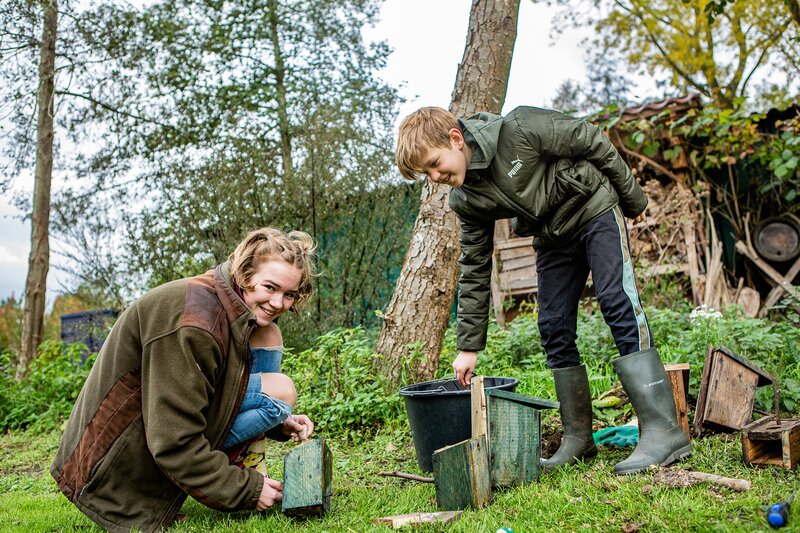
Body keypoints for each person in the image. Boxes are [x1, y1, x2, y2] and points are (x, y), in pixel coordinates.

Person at [395, 106, 690, 475]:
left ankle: (665, 431)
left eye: (435, 164)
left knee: (617, 301)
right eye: (427, 174)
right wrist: (468, 346)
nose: (435, 176)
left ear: (456, 139)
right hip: (552, 236)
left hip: (594, 208)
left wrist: (633, 201)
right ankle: (578, 438)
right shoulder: (466, 199)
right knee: (553, 326)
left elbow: (591, 140)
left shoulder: (520, 128)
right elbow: (474, 267)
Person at [51, 227, 317, 533]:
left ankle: (245, 460)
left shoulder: (224, 303)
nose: (278, 302)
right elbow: (173, 440)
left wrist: (275, 422)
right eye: (270, 287)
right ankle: (239, 471)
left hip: (150, 434)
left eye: (289, 294)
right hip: (107, 468)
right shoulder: (195, 323)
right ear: (244, 276)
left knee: (268, 334)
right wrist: (245, 490)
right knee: (281, 389)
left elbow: (219, 388)